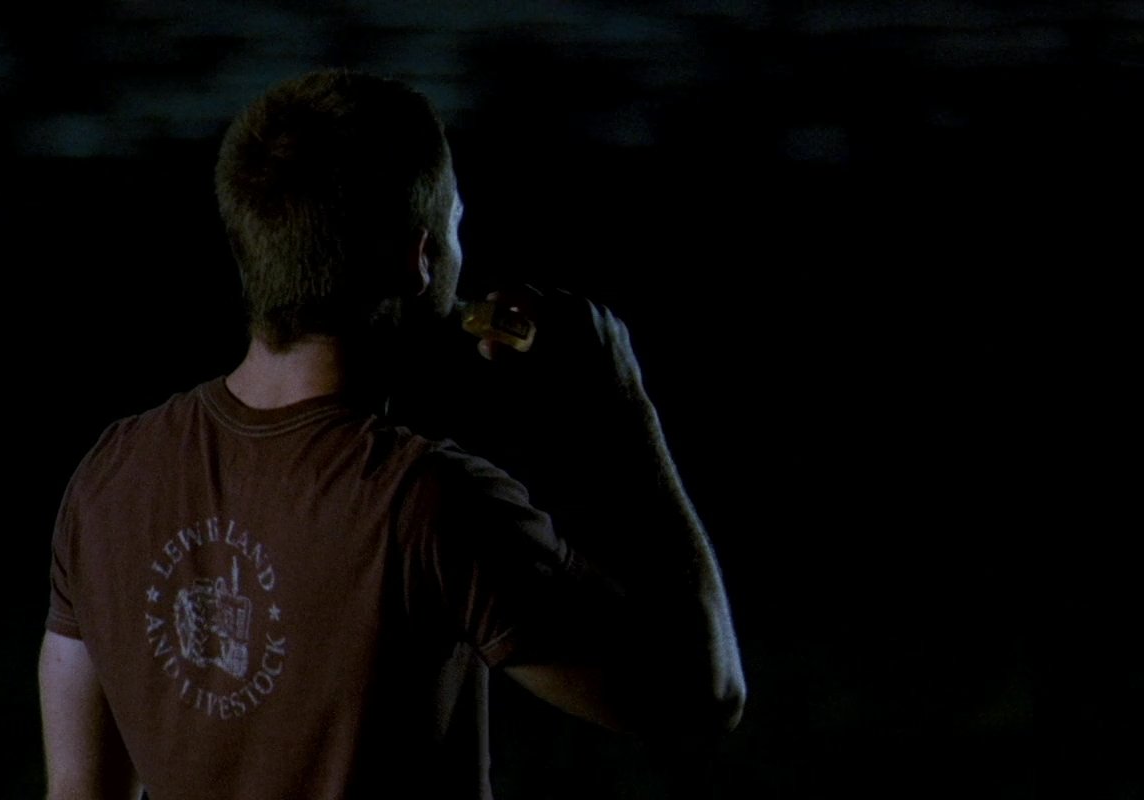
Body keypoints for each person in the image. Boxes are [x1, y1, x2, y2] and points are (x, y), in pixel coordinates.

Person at [39, 69, 745, 800]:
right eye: (456, 225)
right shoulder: (430, 503)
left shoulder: (107, 479)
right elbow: (702, 695)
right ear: (418, 260)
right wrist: (623, 403)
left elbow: (78, 789)